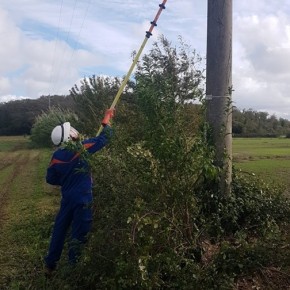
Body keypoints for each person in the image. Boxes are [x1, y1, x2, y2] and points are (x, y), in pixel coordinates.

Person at [44, 109, 115, 276]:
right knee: (79, 233)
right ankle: (73, 269)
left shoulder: (56, 156)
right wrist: (107, 120)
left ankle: (50, 264)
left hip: (67, 198)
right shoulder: (81, 149)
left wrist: (66, 179)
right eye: (72, 130)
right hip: (83, 199)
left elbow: (50, 178)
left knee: (60, 230)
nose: (75, 131)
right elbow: (106, 137)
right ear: (69, 137)